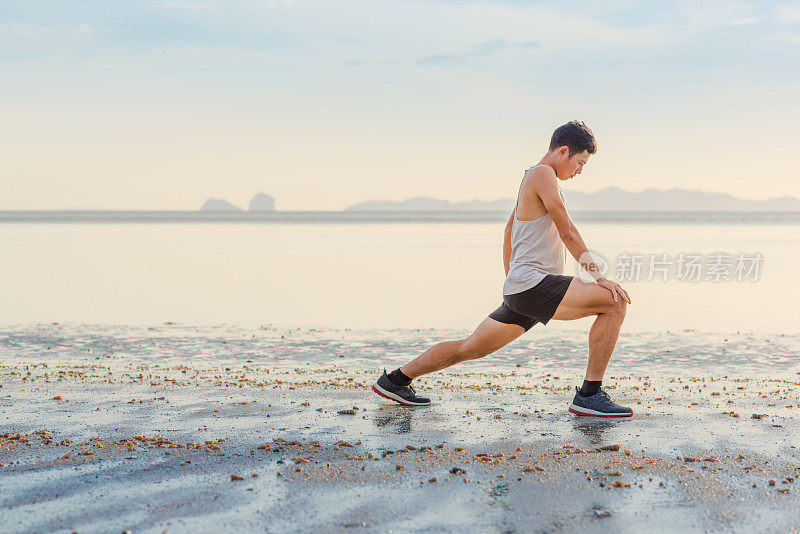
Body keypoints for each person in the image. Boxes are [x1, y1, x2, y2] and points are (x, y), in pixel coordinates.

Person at [371, 120, 633, 417]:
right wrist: (598, 277)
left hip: (524, 287)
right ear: (563, 151)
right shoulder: (543, 175)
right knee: (615, 302)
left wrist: (513, 279)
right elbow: (568, 231)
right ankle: (589, 395)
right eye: (580, 162)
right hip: (533, 285)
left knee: (470, 348)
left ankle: (395, 380)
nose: (580, 171)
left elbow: (509, 230)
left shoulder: (530, 179)